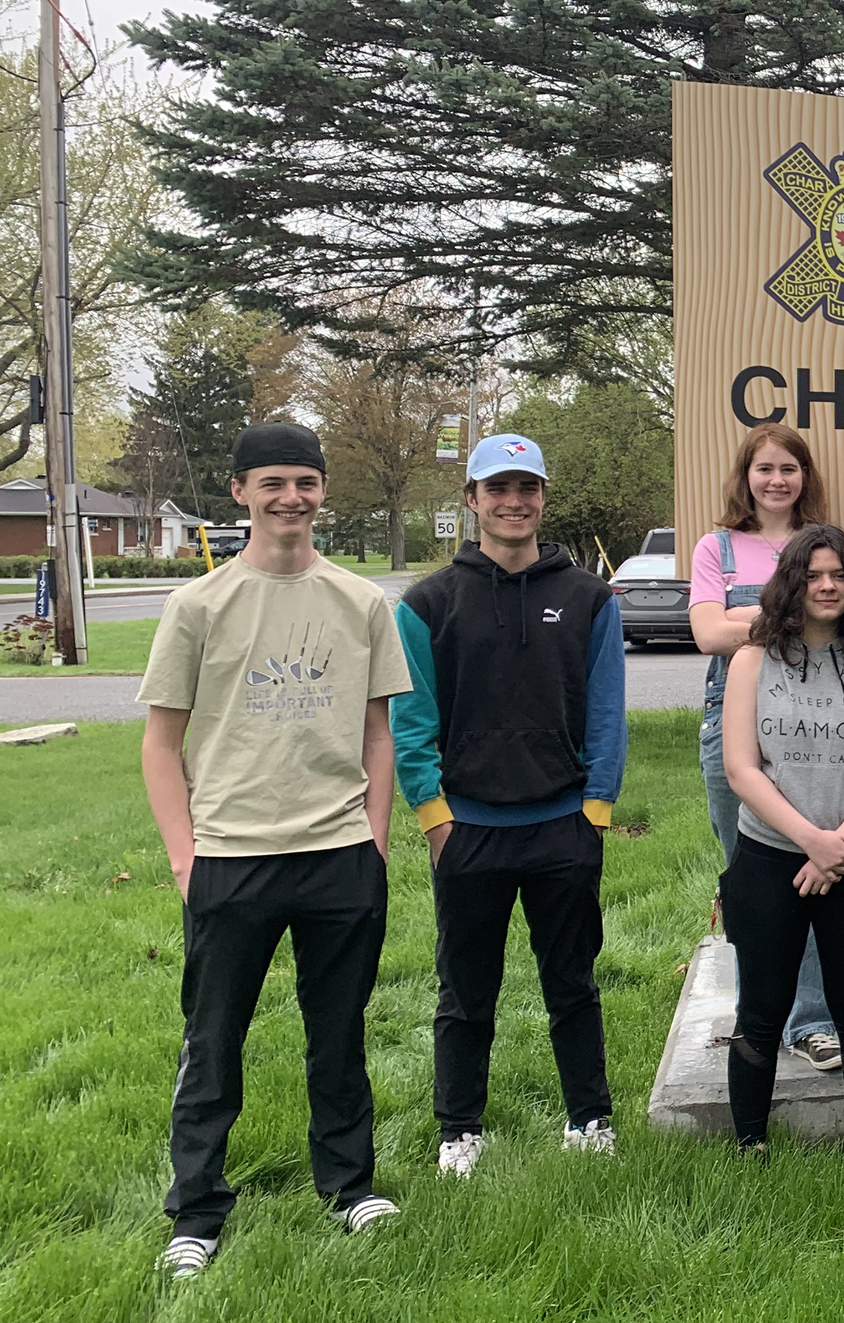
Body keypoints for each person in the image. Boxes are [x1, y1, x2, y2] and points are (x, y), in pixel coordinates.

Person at [139, 423, 413, 1278]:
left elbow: (379, 732)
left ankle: (348, 1184)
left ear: (322, 491)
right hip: (231, 856)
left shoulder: (362, 602)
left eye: (305, 481)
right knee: (212, 1039)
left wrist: (374, 841)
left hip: (338, 854)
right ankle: (197, 1211)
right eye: (273, 482)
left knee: (338, 1033)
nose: (291, 497)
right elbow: (160, 742)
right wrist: (187, 858)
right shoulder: (198, 606)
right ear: (239, 492)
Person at [391, 434, 625, 1179]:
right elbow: (413, 720)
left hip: (563, 823)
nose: (513, 501)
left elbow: (607, 714)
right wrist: (434, 817)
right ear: (472, 500)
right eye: (498, 488)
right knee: (465, 989)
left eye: (527, 487)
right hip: (469, 831)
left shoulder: (588, 598)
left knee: (573, 982)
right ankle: (459, 1128)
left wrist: (595, 810)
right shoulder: (428, 602)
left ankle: (589, 1118)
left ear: (543, 498)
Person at [718, 523, 844, 1154]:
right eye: (812, 575)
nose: (826, 586)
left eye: (839, 575)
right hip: (769, 859)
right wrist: (810, 839)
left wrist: (842, 842)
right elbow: (742, 769)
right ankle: (750, 1144)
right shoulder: (752, 659)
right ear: (790, 584)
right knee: (764, 1006)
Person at [690, 426, 844, 1072]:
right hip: (733, 722)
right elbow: (705, 633)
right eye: (765, 468)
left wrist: (747, 619)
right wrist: (793, 613)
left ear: (805, 475)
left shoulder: (827, 545)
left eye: (789, 468)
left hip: (817, 726)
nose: (777, 480)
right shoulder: (716, 546)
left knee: (813, 870)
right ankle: (760, 1013)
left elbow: (842, 625)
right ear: (745, 475)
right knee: (749, 879)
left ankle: (812, 1018)